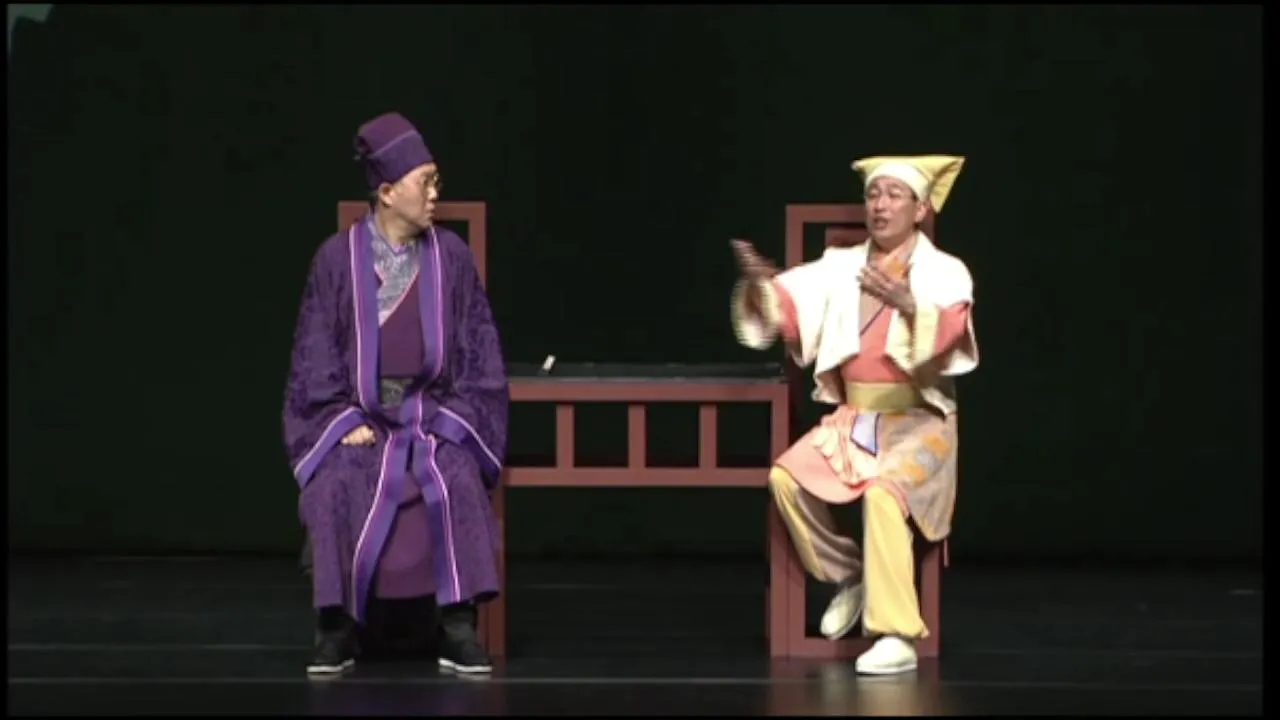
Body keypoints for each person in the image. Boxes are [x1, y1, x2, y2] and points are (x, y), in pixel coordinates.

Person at [729, 155, 979, 675]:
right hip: (855, 419)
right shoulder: (840, 266)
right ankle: (852, 573)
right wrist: (759, 285)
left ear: (920, 208)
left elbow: (951, 333)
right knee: (785, 479)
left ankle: (896, 635)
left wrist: (910, 306)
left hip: (920, 422)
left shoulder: (945, 271)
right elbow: (785, 306)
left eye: (894, 195)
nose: (880, 205)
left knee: (884, 493)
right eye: (873, 195)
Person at [283, 112, 509, 677]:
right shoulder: (335, 261)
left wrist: (450, 421)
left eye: (436, 182)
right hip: (360, 417)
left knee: (456, 472)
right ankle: (336, 628)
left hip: (433, 414)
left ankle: (457, 625)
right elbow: (314, 358)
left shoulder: (452, 257)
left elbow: (480, 354)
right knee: (335, 480)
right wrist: (340, 421)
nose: (435, 194)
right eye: (425, 182)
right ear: (387, 192)